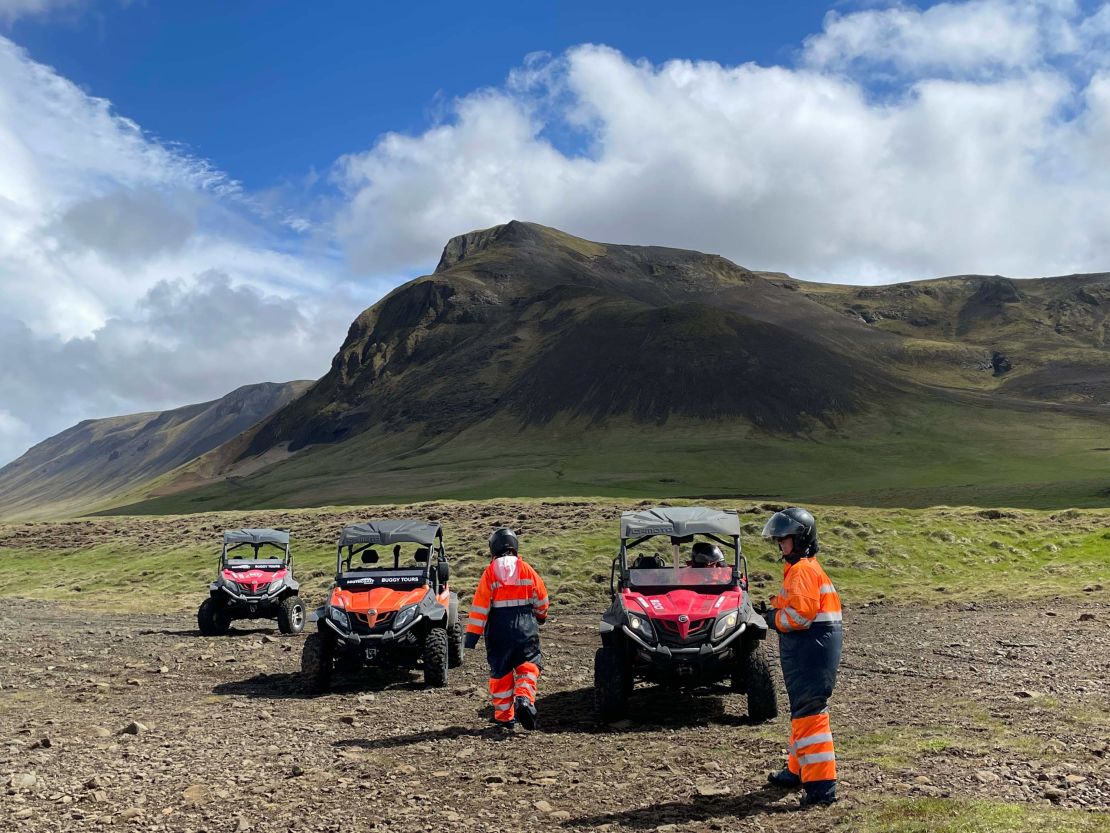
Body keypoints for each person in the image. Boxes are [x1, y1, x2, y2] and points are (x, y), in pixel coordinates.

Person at [761, 507, 843, 807]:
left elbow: (799, 617)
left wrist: (771, 619)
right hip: (812, 645)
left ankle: (821, 787)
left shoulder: (803, 570)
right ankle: (797, 770)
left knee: (810, 713)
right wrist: (771, 609)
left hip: (811, 646)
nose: (779, 544)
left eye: (784, 538)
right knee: (803, 711)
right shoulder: (804, 568)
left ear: (800, 539)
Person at [464, 528, 550, 731]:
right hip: (525, 627)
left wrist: (472, 636)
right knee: (529, 666)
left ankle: (504, 718)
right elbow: (542, 598)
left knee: (501, 673)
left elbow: (480, 606)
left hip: (498, 631)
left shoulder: (490, 572)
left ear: (493, 548)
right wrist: (541, 616)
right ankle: (524, 698)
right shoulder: (527, 569)